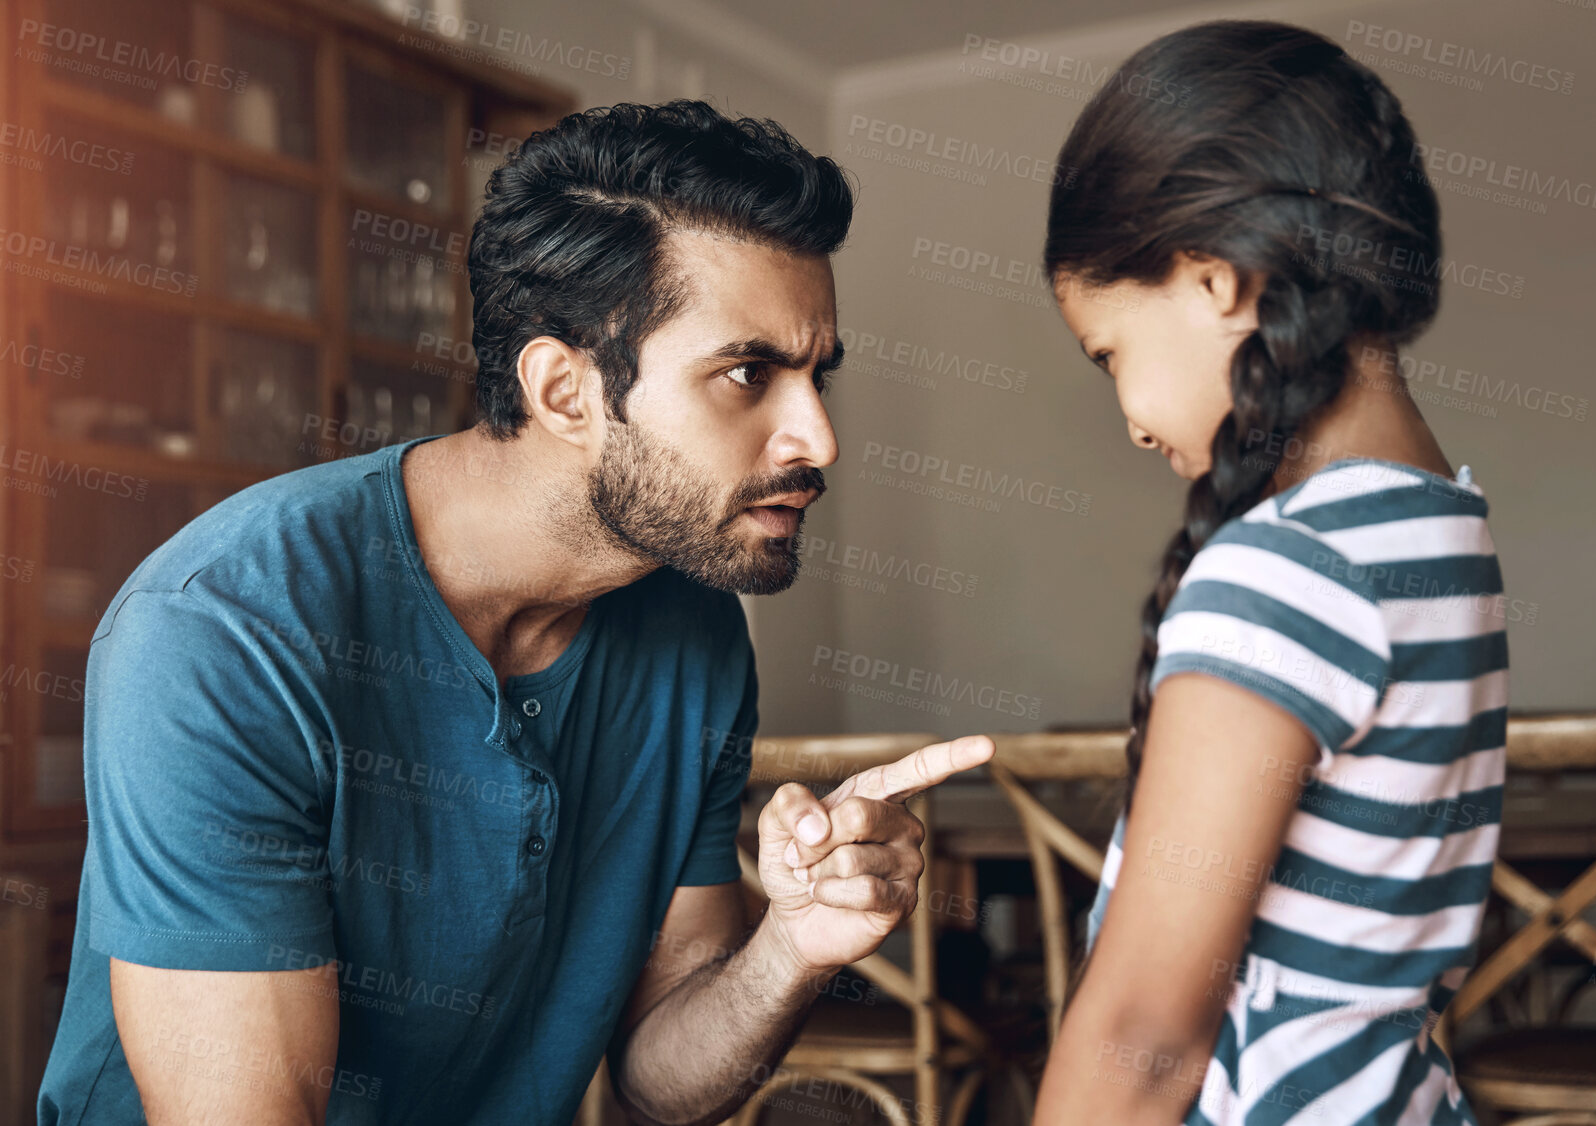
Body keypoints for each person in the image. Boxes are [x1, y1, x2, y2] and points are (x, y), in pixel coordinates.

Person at [38, 100, 993, 1126]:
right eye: (747, 374)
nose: (815, 438)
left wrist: (792, 946)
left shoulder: (693, 627)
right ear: (565, 390)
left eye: (815, 378)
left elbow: (657, 1081)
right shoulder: (224, 630)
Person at [1031, 20, 1507, 1126]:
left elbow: (1145, 1037)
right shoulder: (1438, 531)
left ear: (1218, 284)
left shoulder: (1284, 571)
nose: (1130, 421)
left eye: (1108, 354)